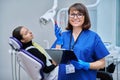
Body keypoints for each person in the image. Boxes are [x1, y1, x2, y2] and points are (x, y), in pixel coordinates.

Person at [52, 3, 110, 80]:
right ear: (69, 17)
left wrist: (86, 65)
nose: (75, 17)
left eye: (79, 14)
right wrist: (58, 43)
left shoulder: (93, 37)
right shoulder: (62, 36)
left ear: (85, 17)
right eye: (72, 14)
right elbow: (55, 63)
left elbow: (102, 63)